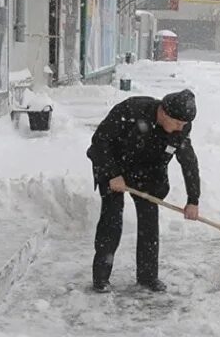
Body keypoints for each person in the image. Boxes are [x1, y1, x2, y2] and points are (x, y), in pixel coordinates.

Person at [87, 90, 201, 293]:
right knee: (112, 217)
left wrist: (193, 199)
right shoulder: (131, 110)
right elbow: (99, 141)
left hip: (148, 171)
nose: (181, 129)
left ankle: (147, 277)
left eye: (184, 125)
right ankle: (101, 277)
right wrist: (113, 174)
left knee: (149, 220)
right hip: (112, 163)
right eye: (177, 123)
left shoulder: (180, 126)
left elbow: (188, 161)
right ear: (164, 112)